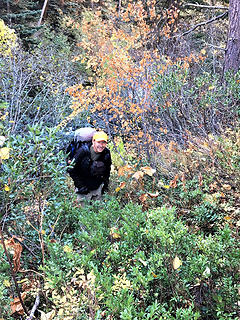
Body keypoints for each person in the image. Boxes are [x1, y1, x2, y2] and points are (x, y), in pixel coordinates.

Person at [67, 131, 111, 204]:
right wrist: (80, 186)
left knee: (97, 212)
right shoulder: (83, 151)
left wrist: (105, 187)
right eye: (99, 142)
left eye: (103, 143)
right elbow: (71, 169)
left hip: (97, 187)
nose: (101, 145)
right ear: (93, 141)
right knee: (81, 213)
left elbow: (107, 171)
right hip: (83, 188)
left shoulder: (106, 153)